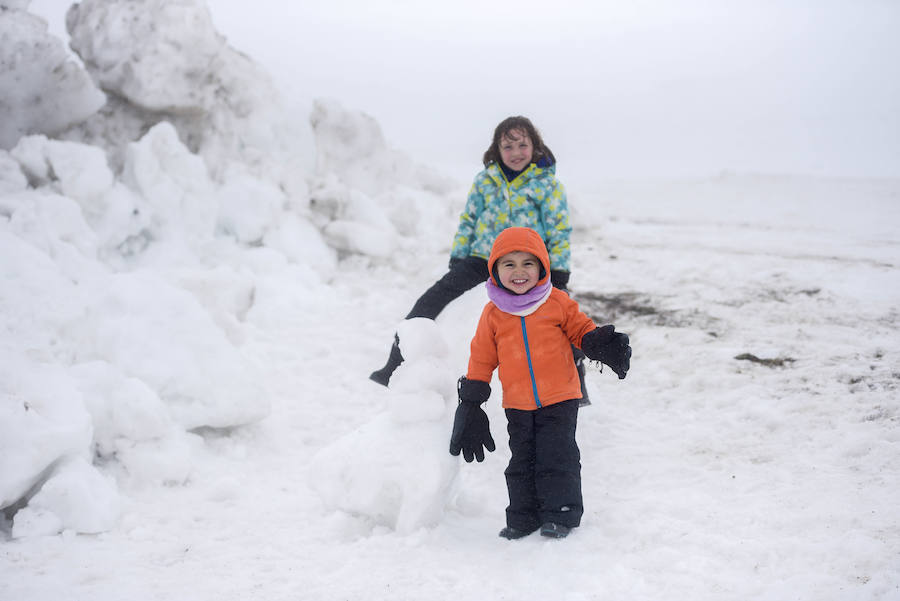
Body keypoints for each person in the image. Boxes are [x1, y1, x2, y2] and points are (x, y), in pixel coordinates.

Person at [370, 116, 589, 397]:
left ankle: (577, 380)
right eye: (507, 146)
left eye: (522, 144)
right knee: (431, 299)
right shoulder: (485, 181)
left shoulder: (548, 186)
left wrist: (558, 271)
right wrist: (459, 257)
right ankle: (394, 364)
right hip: (481, 259)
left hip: (529, 263)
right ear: (496, 149)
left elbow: (559, 229)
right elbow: (468, 221)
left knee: (563, 312)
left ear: (535, 146)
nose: (515, 152)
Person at [448, 227, 631, 539]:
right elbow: (481, 356)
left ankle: (561, 513)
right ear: (495, 270)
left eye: (527, 263)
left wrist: (597, 342)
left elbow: (581, 330)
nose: (519, 272)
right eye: (509, 264)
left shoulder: (556, 301)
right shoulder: (493, 314)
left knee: (557, 456)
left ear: (543, 267)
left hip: (560, 397)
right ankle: (523, 516)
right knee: (522, 460)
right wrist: (472, 399)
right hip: (517, 402)